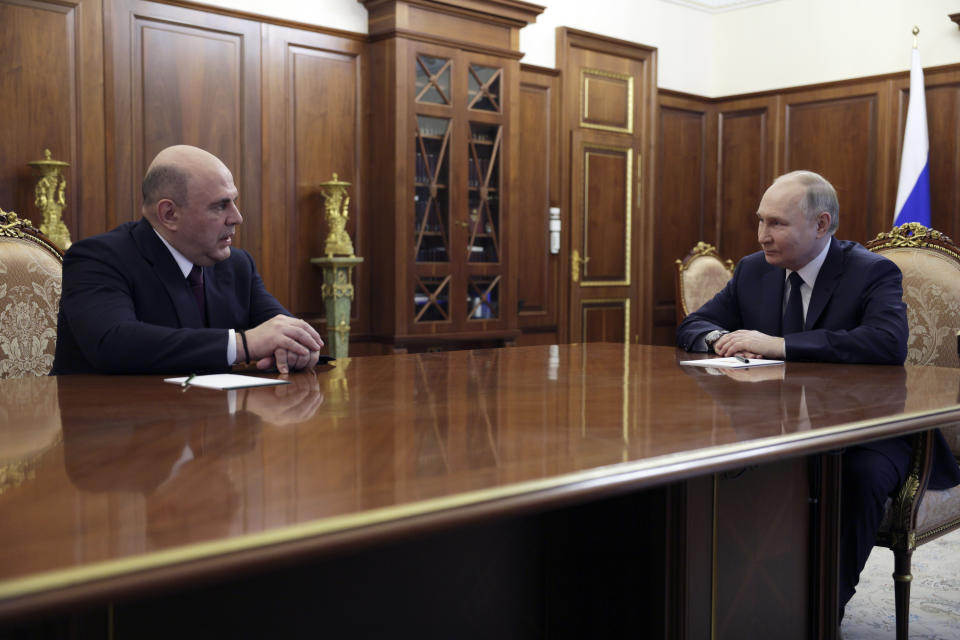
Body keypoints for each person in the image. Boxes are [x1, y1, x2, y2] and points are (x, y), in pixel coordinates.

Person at [677, 170, 960, 621]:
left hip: (869, 430)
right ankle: (739, 596)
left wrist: (783, 345)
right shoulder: (753, 270)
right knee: (716, 469)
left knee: (859, 476)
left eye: (776, 224)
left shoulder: (871, 271)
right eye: (760, 221)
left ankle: (822, 610)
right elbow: (693, 325)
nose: (762, 236)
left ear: (822, 224)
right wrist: (718, 340)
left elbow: (887, 343)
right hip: (778, 425)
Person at [52, 145, 324, 375]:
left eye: (235, 202)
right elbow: (112, 344)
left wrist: (297, 348)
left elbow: (281, 329)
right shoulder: (99, 258)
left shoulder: (237, 265)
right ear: (169, 214)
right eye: (221, 205)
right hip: (114, 426)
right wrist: (242, 344)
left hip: (216, 426)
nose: (237, 217)